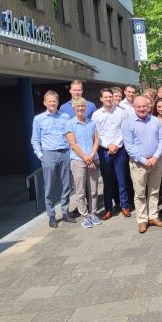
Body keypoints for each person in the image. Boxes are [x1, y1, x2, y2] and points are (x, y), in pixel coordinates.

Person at [31, 90, 75, 228]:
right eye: (49, 101)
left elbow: (71, 136)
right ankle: (51, 215)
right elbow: (34, 140)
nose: (52, 103)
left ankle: (65, 212)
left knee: (67, 185)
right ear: (45, 102)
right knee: (49, 187)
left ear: (58, 102)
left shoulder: (65, 117)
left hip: (65, 153)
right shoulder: (38, 119)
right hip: (48, 154)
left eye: (54, 101)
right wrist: (41, 156)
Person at [123, 95, 162, 234]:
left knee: (154, 191)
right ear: (134, 108)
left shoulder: (155, 121)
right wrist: (143, 160)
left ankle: (153, 217)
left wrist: (155, 157)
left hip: (155, 162)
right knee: (140, 193)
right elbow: (129, 147)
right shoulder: (129, 123)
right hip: (138, 164)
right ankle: (142, 220)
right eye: (138, 107)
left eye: (144, 106)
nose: (142, 109)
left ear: (148, 107)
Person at [92, 88, 130, 220]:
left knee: (122, 179)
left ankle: (124, 206)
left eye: (110, 97)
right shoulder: (96, 115)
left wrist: (116, 145)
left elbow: (124, 130)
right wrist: (108, 145)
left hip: (120, 150)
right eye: (106, 97)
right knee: (107, 182)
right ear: (101, 99)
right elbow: (97, 134)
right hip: (104, 150)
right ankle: (108, 209)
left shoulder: (121, 112)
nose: (108, 99)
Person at [65, 97, 101, 229]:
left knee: (93, 190)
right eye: (78, 106)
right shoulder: (70, 124)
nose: (81, 108)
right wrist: (86, 157)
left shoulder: (92, 123)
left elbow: (96, 140)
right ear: (74, 108)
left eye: (83, 106)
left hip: (93, 159)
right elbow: (72, 144)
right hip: (78, 161)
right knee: (80, 191)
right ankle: (85, 216)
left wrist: (91, 155)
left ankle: (93, 213)